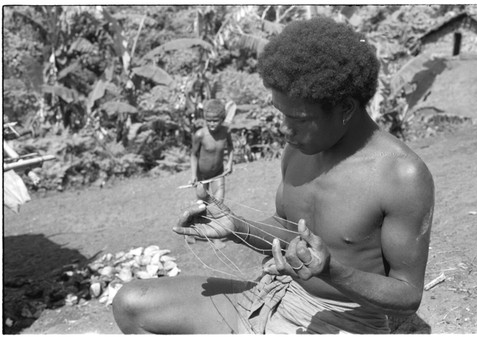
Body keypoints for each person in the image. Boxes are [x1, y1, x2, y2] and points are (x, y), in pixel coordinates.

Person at [112, 17, 434, 334]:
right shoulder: (299, 147)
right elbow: (285, 230)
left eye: (297, 118)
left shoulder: (402, 175)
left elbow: (407, 295)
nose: (284, 128)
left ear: (346, 108)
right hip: (270, 297)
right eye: (281, 114)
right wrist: (237, 227)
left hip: (343, 320)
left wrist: (331, 272)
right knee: (130, 304)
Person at [186, 98, 234, 248]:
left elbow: (231, 147)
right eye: (209, 121)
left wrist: (230, 162)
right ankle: (190, 229)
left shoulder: (225, 132)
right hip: (201, 176)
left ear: (222, 119)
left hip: (218, 174)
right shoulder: (200, 134)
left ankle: (216, 237)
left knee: (217, 205)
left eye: (215, 121)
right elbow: (193, 155)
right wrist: (194, 175)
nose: (212, 124)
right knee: (202, 205)